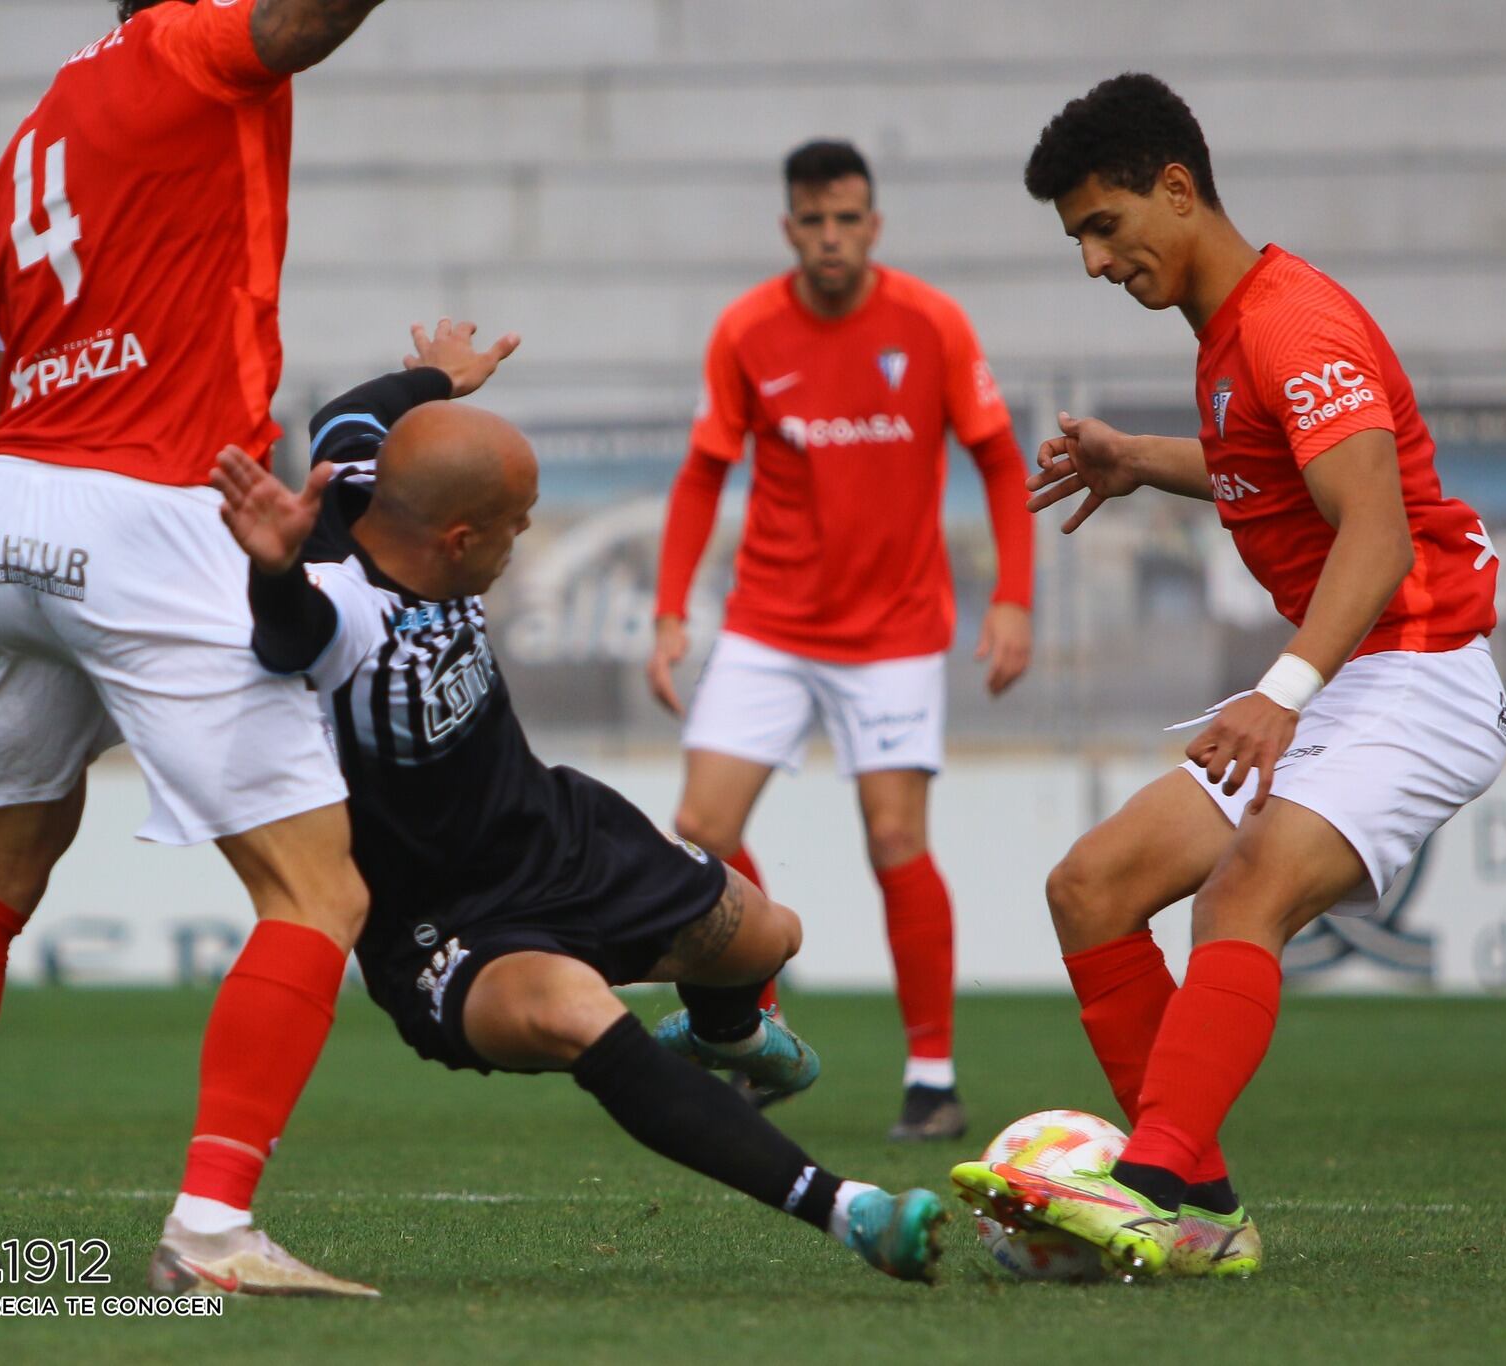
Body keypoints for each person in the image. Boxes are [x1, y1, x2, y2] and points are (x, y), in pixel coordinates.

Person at [0, 0, 400, 1298]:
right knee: (318, 889)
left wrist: (34, 495)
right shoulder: (186, 44)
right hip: (149, 506)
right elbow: (297, 27)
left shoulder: (28, 140)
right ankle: (212, 1231)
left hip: (12, 508)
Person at [950, 73, 1506, 1279]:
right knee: (1089, 887)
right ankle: (1198, 1201)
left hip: (1418, 669)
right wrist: (1140, 459)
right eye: (1076, 241)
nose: (1094, 262)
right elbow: (1262, 459)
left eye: (1104, 226)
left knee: (1242, 888)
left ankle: (1148, 1182)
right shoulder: (1227, 333)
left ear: (1176, 188)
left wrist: (1281, 691)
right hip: (1347, 673)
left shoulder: (1290, 321)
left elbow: (1374, 531)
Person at [206, 390, 950, 1283]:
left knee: (771, 936)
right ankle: (851, 1211)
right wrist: (271, 573)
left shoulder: (367, 485)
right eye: (516, 527)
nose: (522, 544)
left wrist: (433, 380)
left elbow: (347, 418)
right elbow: (292, 638)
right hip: (449, 927)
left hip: (565, 834)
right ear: (460, 540)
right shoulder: (339, 602)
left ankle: (726, 1033)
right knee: (577, 1016)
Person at [647, 139, 1036, 1141]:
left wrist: (1012, 599)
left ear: (872, 224)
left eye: (846, 219)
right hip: (769, 621)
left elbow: (997, 461)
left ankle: (932, 1078)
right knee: (702, 822)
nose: (829, 237)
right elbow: (700, 473)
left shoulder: (929, 323)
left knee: (895, 839)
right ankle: (756, 1028)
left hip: (895, 630)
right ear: (788, 229)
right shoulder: (746, 330)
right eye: (812, 221)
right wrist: (669, 609)